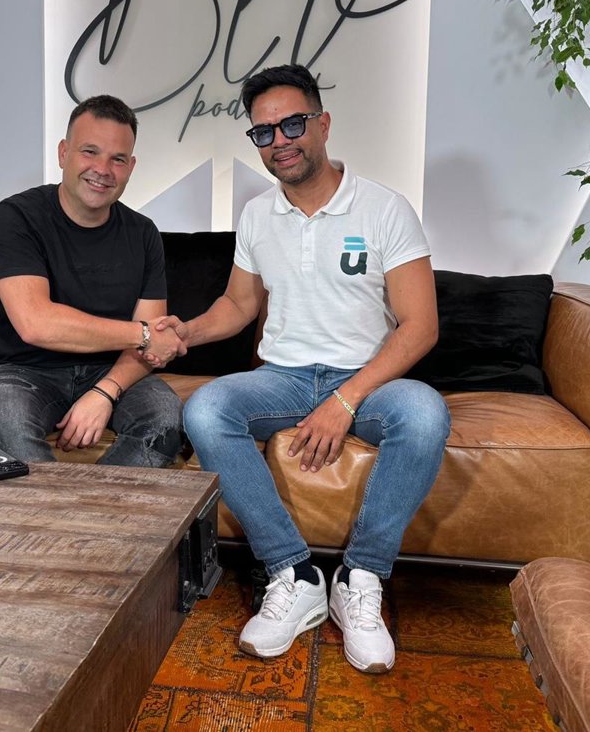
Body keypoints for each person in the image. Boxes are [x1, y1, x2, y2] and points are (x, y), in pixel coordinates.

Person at [155, 64, 450, 674]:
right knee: (206, 409)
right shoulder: (258, 215)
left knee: (424, 414)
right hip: (284, 377)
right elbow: (239, 305)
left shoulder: (385, 209)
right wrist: (187, 332)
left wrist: (344, 401)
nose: (279, 141)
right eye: (264, 132)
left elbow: (420, 326)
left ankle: (361, 578)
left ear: (323, 123)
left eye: (292, 124)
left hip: (368, 379)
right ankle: (294, 573)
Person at [0, 94, 185, 469]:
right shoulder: (15, 217)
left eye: (118, 159)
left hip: (113, 370)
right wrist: (142, 334)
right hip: (21, 371)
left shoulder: (143, 233)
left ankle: (96, 506)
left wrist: (106, 391)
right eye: (90, 152)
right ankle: (67, 508)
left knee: (166, 420)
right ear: (63, 153)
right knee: (7, 419)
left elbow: (151, 345)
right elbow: (36, 324)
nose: (103, 169)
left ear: (131, 167)